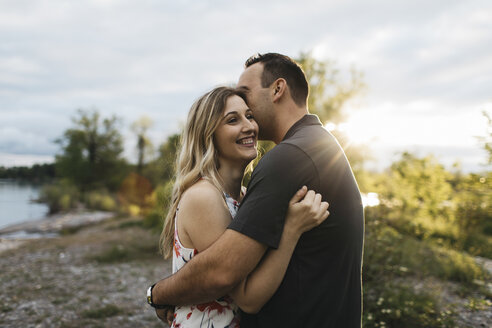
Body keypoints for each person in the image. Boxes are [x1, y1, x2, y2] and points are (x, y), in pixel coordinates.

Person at [149, 53, 364, 327]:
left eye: (247, 101)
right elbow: (222, 272)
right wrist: (158, 294)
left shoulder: (288, 157)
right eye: (232, 119)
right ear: (208, 133)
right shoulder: (206, 195)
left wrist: (158, 293)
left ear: (277, 89)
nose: (249, 124)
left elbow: (226, 276)